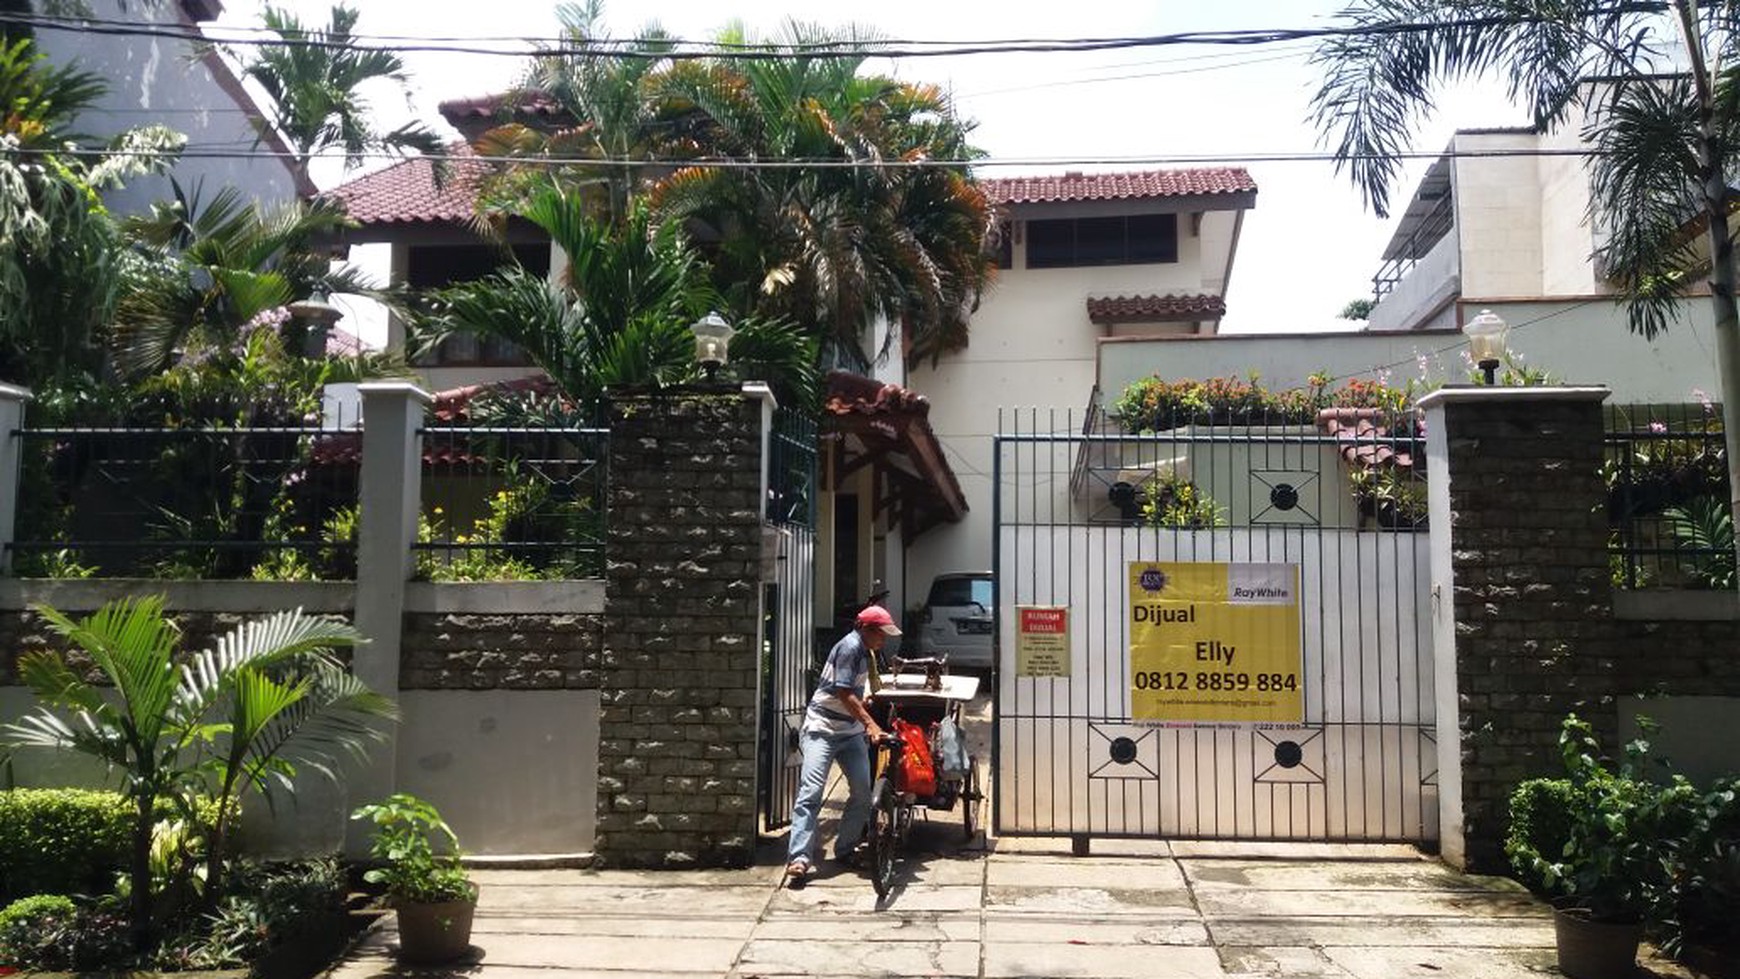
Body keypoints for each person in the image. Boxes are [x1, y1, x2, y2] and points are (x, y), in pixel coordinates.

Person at [786, 604, 900, 883]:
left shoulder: (867, 652)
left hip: (849, 732)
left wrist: (869, 706)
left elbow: (857, 693)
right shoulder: (850, 647)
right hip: (822, 729)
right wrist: (871, 724)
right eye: (881, 633)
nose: (884, 639)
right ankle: (799, 858)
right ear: (866, 629)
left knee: (863, 793)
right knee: (811, 792)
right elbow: (844, 693)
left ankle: (845, 849)